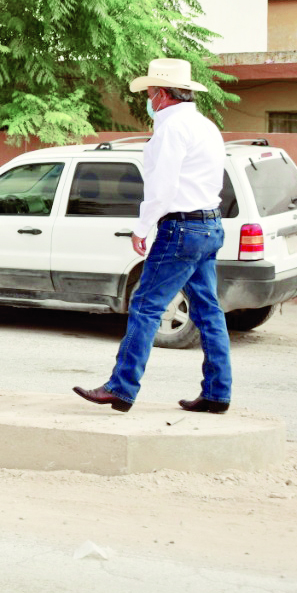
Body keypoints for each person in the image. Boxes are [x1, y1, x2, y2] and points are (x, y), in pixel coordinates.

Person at [73, 58, 232, 414]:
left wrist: (142, 228)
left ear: (161, 94)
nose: (146, 97)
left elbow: (161, 189)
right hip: (209, 224)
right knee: (208, 311)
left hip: (181, 228)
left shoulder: (171, 130)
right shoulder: (206, 126)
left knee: (145, 306)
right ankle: (217, 392)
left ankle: (121, 387)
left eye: (149, 91)